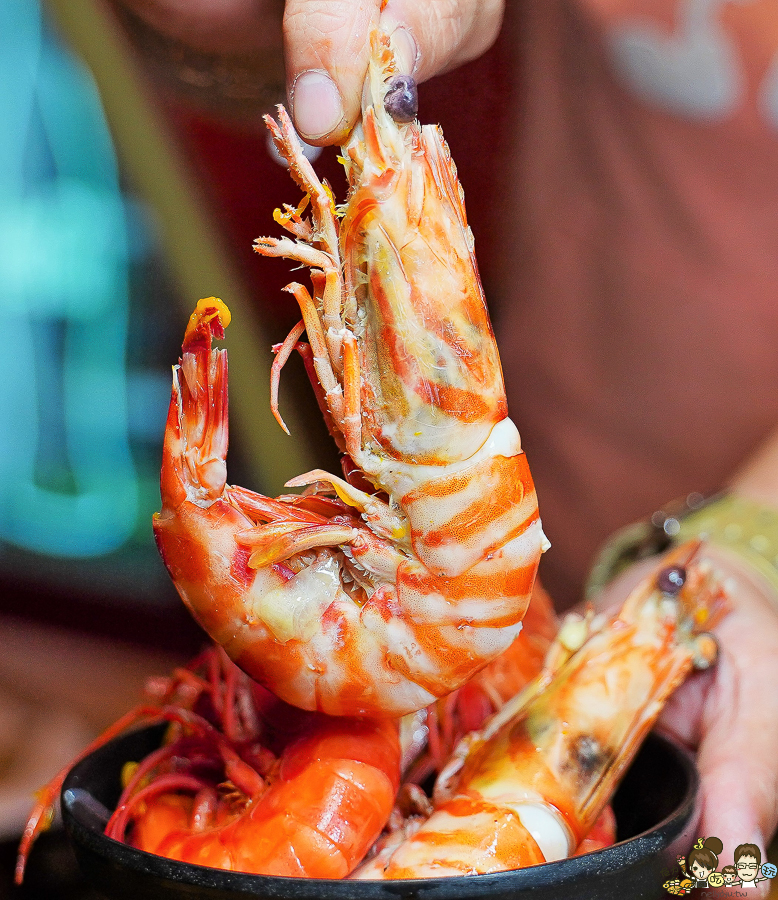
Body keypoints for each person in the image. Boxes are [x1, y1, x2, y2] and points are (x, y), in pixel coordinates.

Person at [103, 0, 778, 879]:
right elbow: (239, 77)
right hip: (541, 584)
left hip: (706, 612)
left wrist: (753, 543)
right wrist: (223, 23)